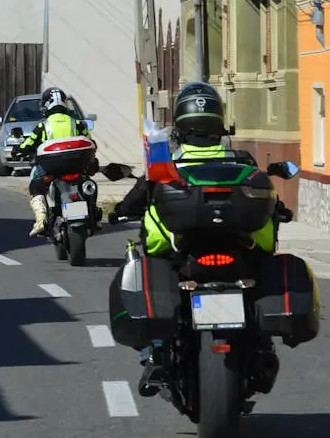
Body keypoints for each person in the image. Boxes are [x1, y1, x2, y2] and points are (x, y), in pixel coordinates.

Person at [108, 83, 278, 397]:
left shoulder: (166, 165)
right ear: (219, 123)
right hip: (239, 252)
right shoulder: (241, 162)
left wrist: (119, 212)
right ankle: (262, 345)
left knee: (155, 277)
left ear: (180, 123)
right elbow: (269, 200)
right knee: (258, 277)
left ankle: (157, 350)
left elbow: (137, 198)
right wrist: (280, 210)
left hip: (179, 254)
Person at [15, 87, 95, 237]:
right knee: (88, 183)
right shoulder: (76, 123)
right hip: (76, 165)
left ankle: (41, 220)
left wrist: (18, 149)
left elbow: (27, 145)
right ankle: (93, 212)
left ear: (46, 105)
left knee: (36, 185)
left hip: (51, 168)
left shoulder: (42, 125)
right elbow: (90, 140)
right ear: (65, 103)